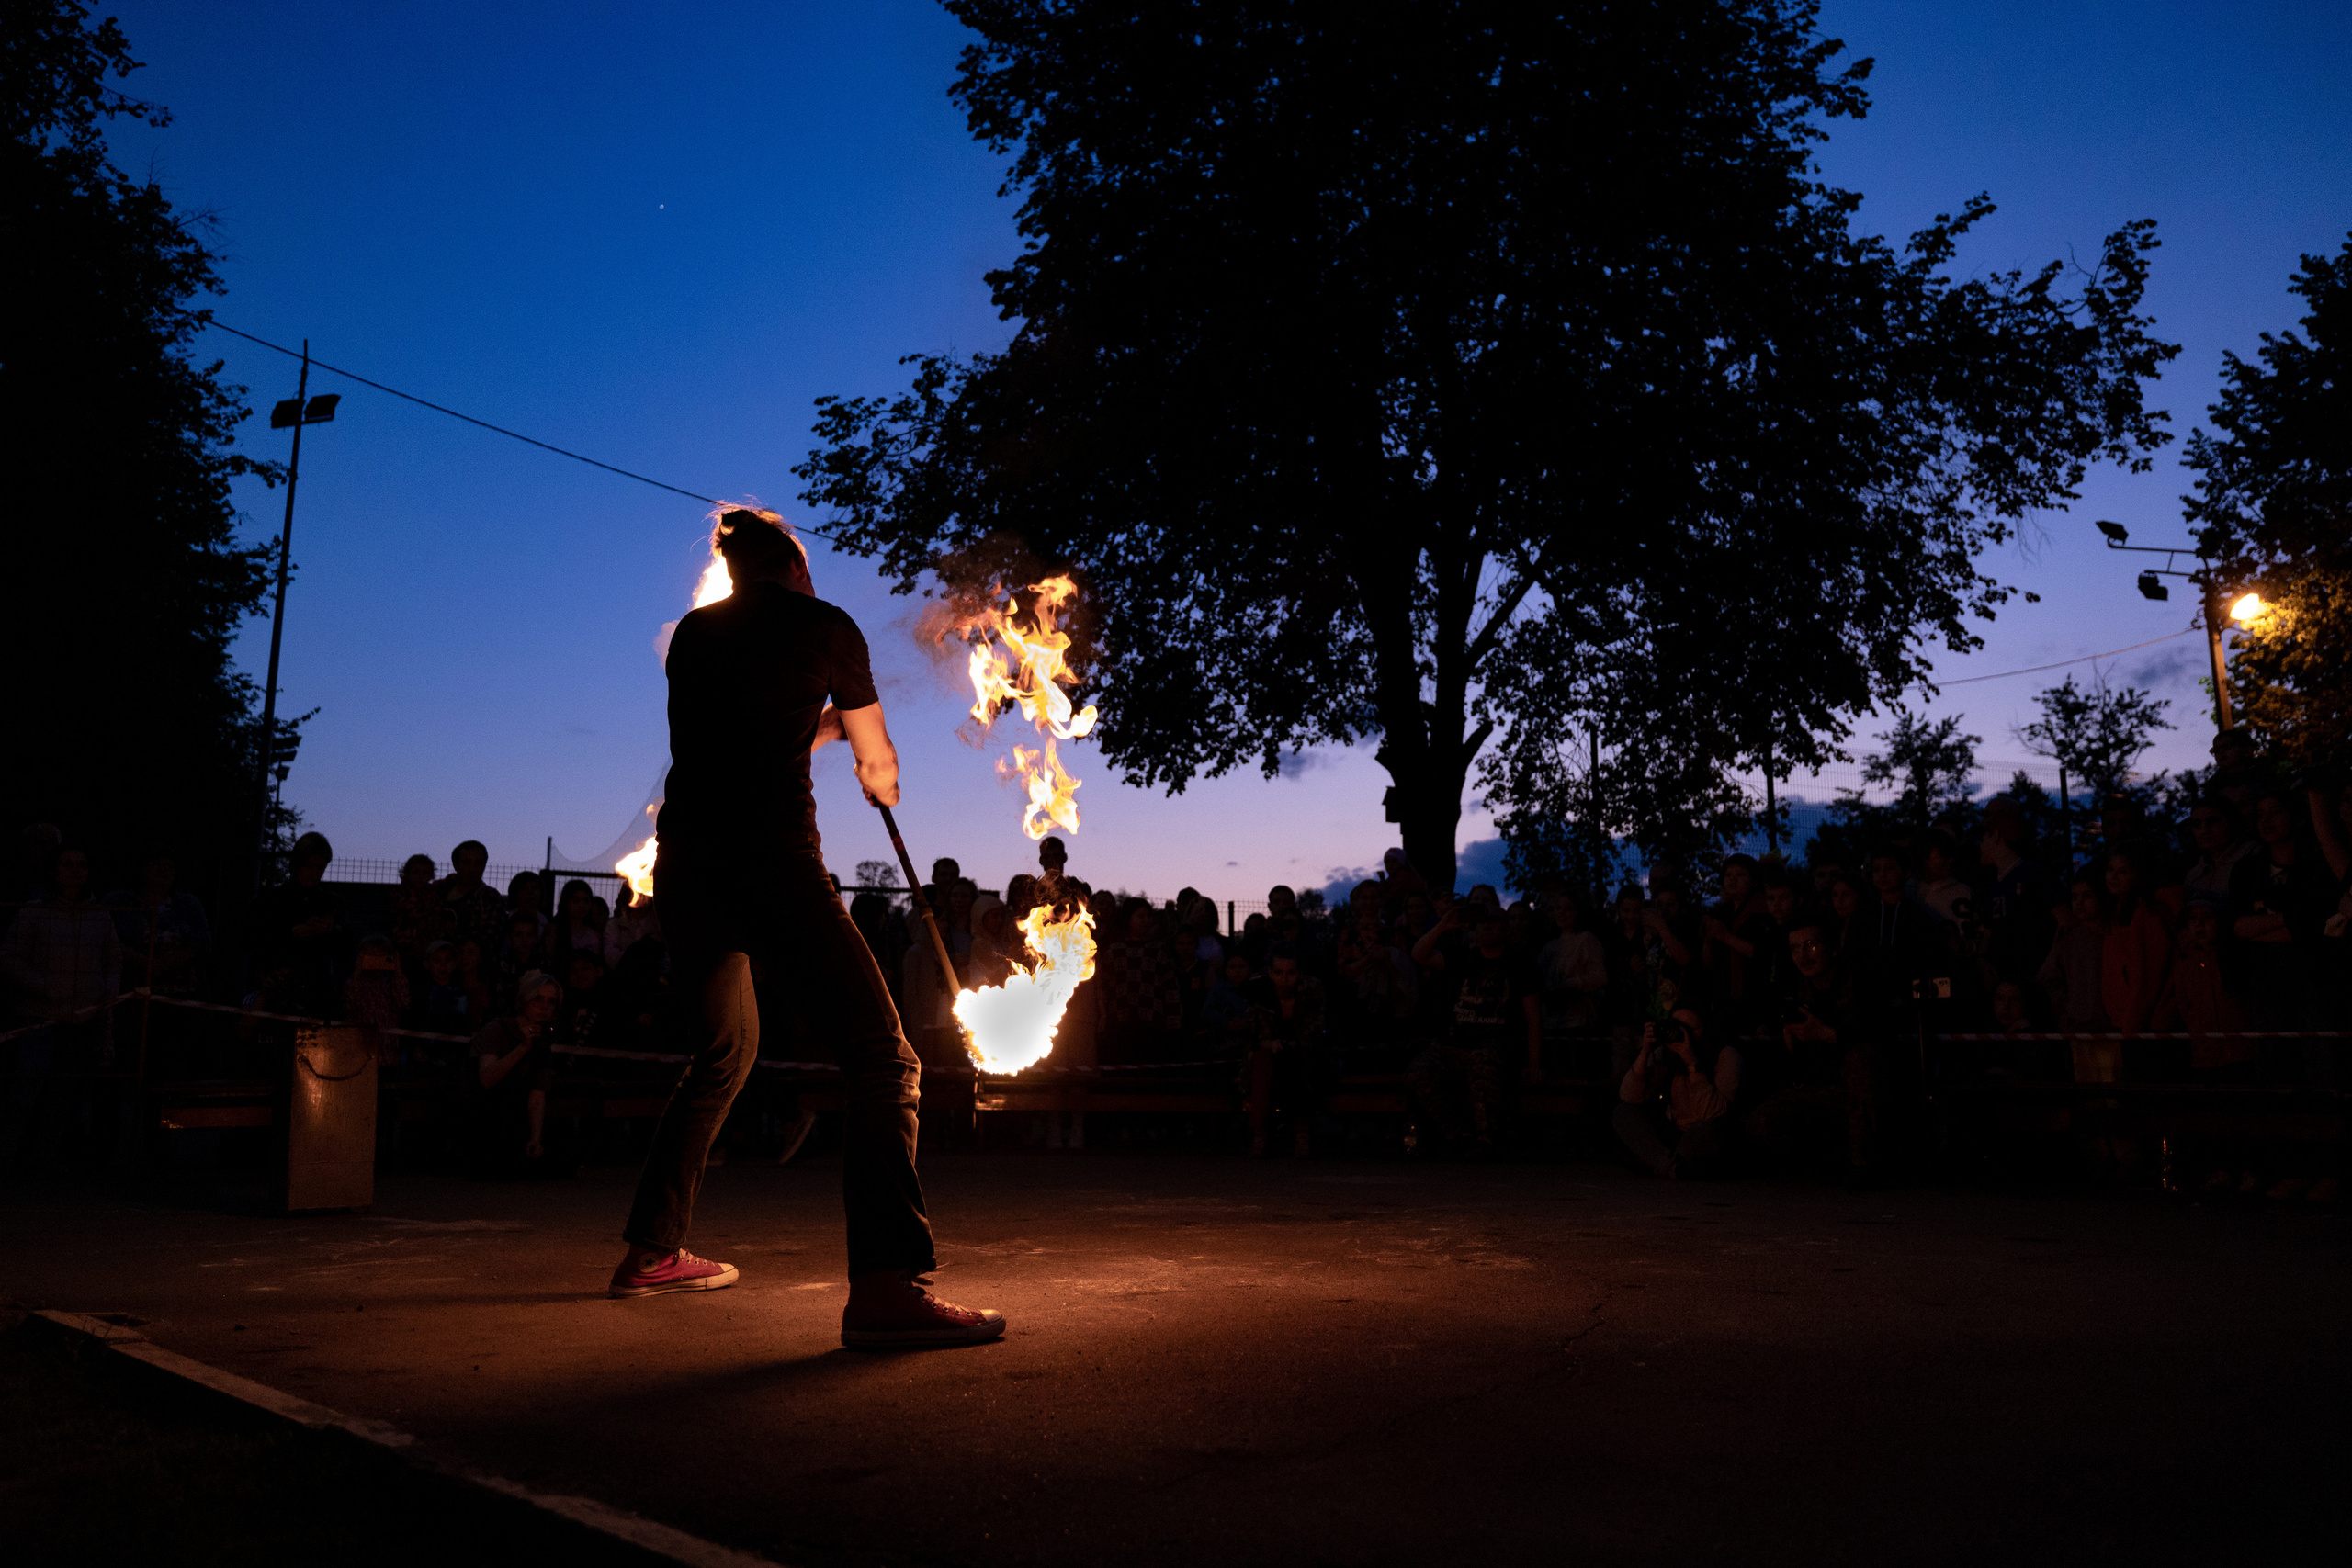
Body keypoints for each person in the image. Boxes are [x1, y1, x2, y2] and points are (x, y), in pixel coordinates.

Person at [608, 507, 998, 1345]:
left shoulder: (695, 637)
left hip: (689, 869)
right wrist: (878, 775)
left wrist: (827, 730)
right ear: (794, 567)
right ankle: (886, 1286)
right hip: (773, 866)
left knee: (721, 1055)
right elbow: (877, 758)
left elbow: (751, 733)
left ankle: (651, 1249)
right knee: (885, 1060)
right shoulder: (826, 625)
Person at [3, 845, 123, 1162]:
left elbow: (113, 959)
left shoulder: (100, 914)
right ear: (52, 871)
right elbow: (10, 959)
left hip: (83, 1017)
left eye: (81, 864)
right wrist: (45, 986)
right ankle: (7, 1156)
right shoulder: (34, 911)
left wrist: (108, 991)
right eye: (67, 864)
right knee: (25, 1090)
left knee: (64, 1095)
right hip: (39, 1017)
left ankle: (43, 1161)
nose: (75, 870)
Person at [1409, 902, 1540, 1159]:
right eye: (1482, 922)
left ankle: (1485, 1137)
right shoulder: (1462, 958)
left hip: (1496, 1044)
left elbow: (1533, 1018)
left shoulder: (1521, 964)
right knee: (1418, 1073)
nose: (1487, 926)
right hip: (1453, 1044)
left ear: (1505, 928)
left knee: (1482, 1061)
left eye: (1494, 921)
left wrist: (1535, 1064)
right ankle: (1456, 1133)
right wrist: (1442, 927)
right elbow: (1419, 954)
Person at [1613, 1008, 1738, 1179]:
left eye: (1690, 1029)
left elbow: (1712, 1113)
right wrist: (1645, 1051)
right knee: (1623, 1112)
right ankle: (1673, 1167)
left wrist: (1692, 1062)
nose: (1683, 1034)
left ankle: (1663, 1164)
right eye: (1678, 1026)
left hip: (1703, 1135)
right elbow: (1629, 1096)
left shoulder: (1726, 1056)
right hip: (1674, 1132)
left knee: (1709, 1131)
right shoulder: (1665, 1053)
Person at [468, 970, 562, 1178]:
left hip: (517, 1112)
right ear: (524, 1000)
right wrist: (522, 1047)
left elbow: (537, 1095)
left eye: (551, 1001)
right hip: (487, 1111)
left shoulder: (544, 1039)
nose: (544, 1006)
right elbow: (486, 1079)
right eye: (538, 999)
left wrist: (536, 1138)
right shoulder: (497, 1029)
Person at [248, 831, 344, 1019]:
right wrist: (290, 933)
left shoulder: (332, 903)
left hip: (317, 994)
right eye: (309, 866)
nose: (314, 873)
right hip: (278, 992)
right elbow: (255, 941)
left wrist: (331, 931)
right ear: (297, 864)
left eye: (320, 868)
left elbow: (345, 947)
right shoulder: (271, 901)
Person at [1244, 945, 1327, 1156]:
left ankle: (1302, 1133)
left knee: (1298, 1063)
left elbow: (1317, 1025)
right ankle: (1259, 1133)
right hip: (1270, 1051)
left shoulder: (1312, 990)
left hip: (1305, 1052)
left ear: (1299, 973)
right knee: (1261, 1062)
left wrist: (1297, 1043)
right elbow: (1255, 1033)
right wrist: (1269, 1043)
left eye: (1290, 972)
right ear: (1271, 973)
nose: (1285, 978)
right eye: (1279, 972)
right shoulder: (1259, 992)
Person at [2099, 850, 2171, 1034]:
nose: (2113, 876)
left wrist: (2132, 1023)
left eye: (2123, 871)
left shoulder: (2147, 915)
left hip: (2142, 1023)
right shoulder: (2113, 914)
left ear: (2138, 875)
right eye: (2110, 869)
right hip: (2120, 1018)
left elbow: (2148, 975)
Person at [435, 841, 507, 957]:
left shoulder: (491, 898)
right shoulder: (437, 891)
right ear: (456, 865)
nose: (472, 868)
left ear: (484, 866)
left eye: (478, 863)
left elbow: (489, 939)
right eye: (466, 862)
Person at [388, 853, 451, 975]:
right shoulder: (401, 895)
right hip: (405, 945)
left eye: (425, 873)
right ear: (407, 873)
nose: (420, 877)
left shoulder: (433, 894)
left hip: (430, 945)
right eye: (416, 872)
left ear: (431, 875)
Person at [547, 878, 606, 967]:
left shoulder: (595, 934)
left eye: (586, 900)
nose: (582, 905)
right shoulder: (553, 931)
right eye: (576, 900)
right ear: (566, 902)